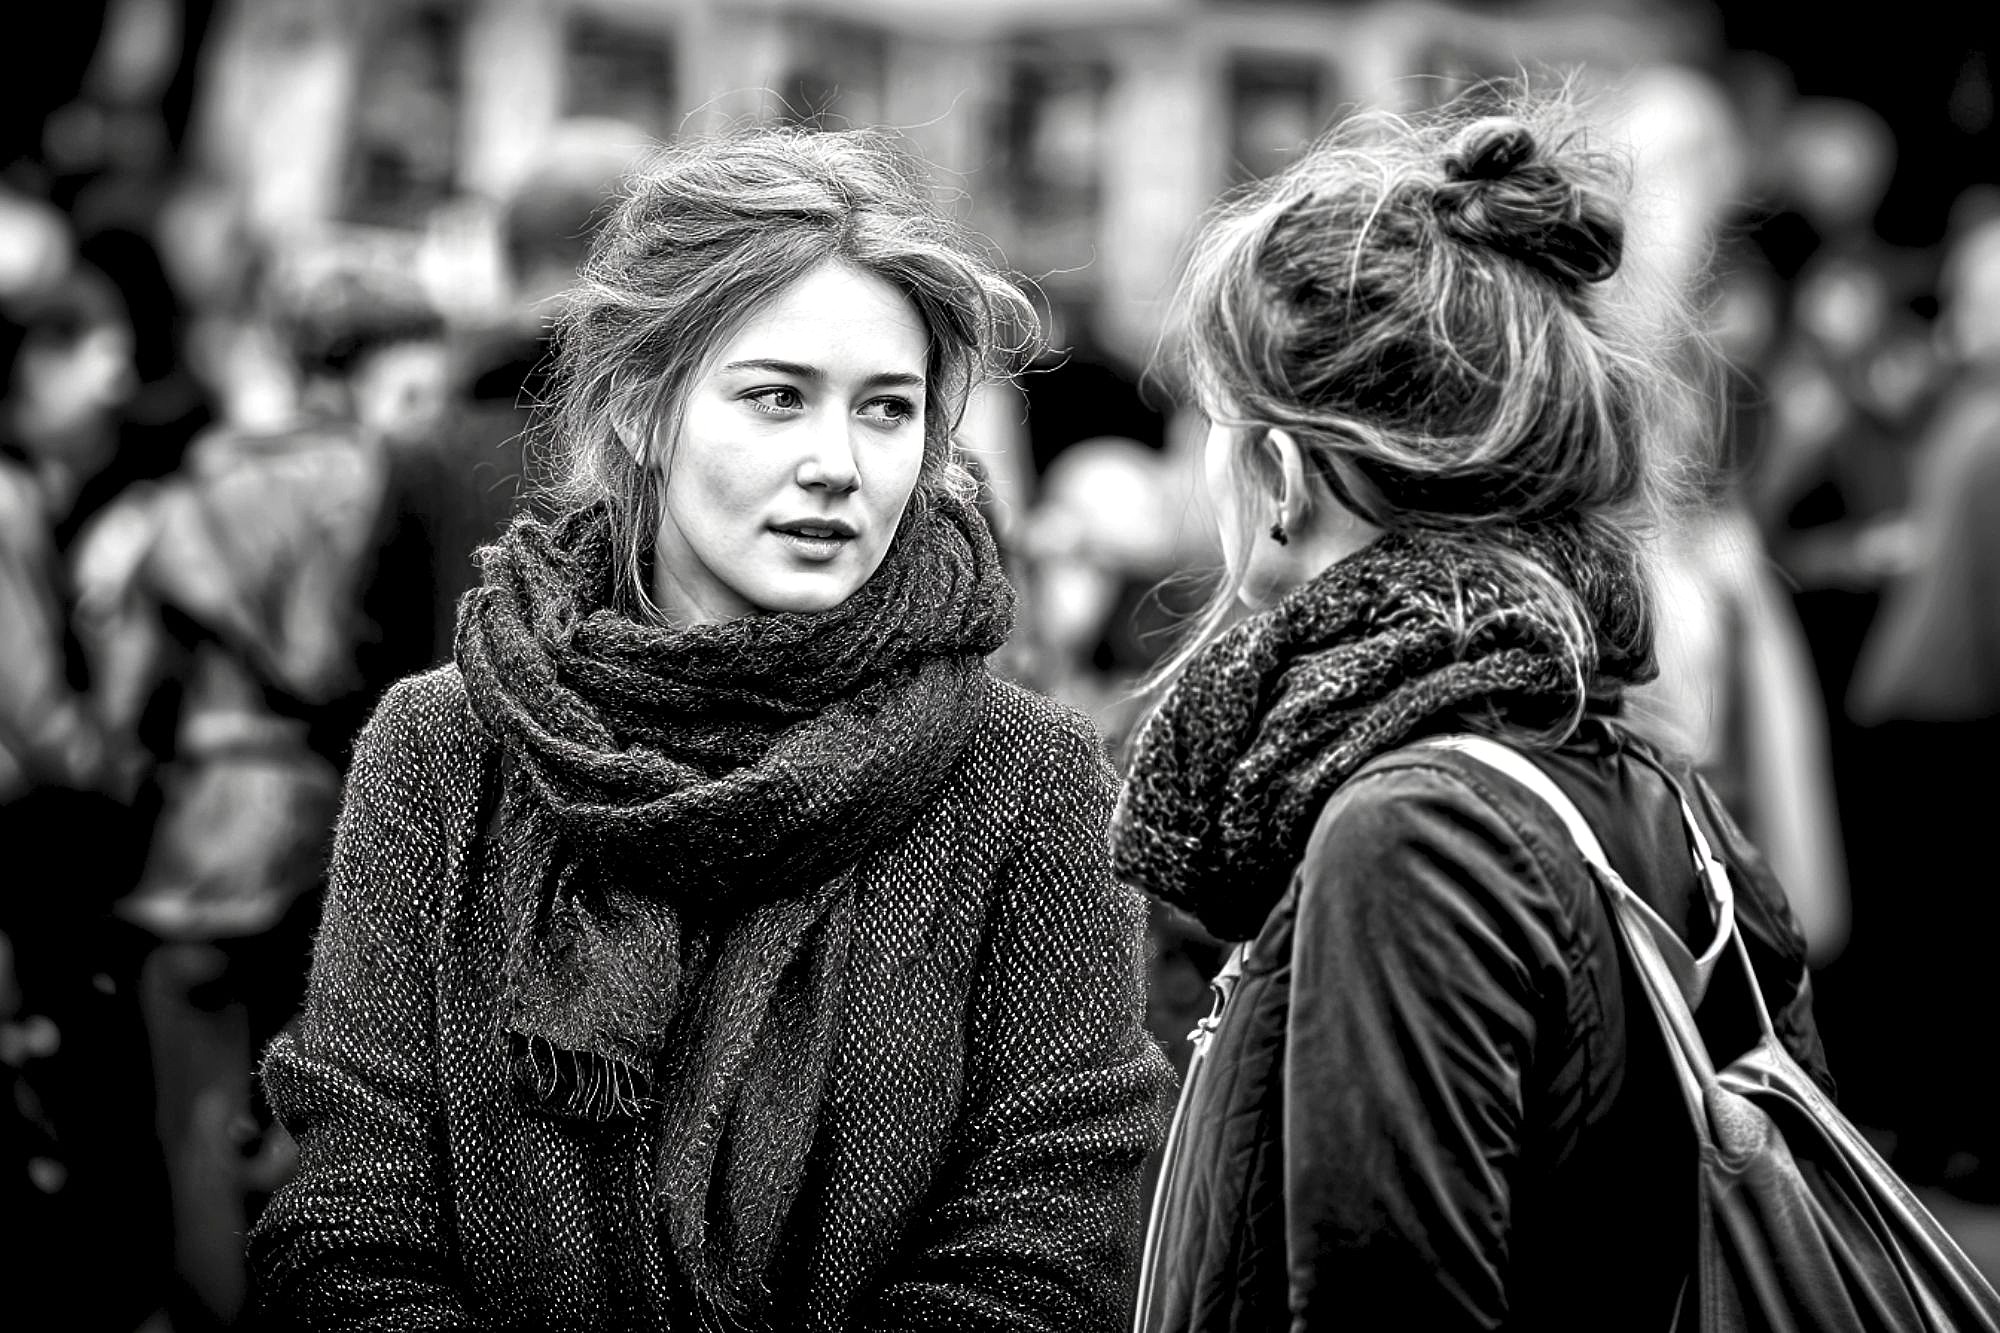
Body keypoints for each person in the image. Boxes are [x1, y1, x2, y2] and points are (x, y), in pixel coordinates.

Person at [246, 126, 1172, 1333]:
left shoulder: (1024, 780)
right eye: (776, 398)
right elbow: (349, 1215)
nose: (836, 464)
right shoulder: (443, 751)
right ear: (639, 406)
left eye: (886, 411)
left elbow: (1046, 1231)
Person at [1111, 92, 1833, 1331]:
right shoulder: (1646, 777)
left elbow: (1386, 1297)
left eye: (1221, 430)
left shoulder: (1408, 831)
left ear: (1284, 473)